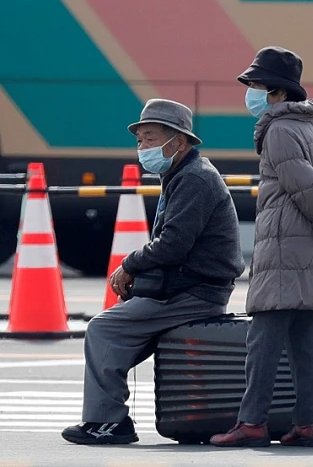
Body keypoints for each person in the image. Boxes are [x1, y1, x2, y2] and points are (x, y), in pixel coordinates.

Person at [61, 98, 245, 445]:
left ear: (178, 141)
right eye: (139, 140)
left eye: (150, 138)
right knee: (118, 324)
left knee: (103, 329)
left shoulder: (195, 179)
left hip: (194, 293)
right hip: (187, 287)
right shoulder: (182, 174)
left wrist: (129, 265)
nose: (142, 147)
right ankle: (109, 417)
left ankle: (109, 421)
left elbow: (173, 244)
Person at [210, 46, 313, 448]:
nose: (251, 94)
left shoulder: (279, 131)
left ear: (277, 92)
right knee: (306, 343)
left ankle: (252, 422)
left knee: (263, 342)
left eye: (257, 86)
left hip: (283, 254)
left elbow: (307, 191)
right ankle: (308, 424)